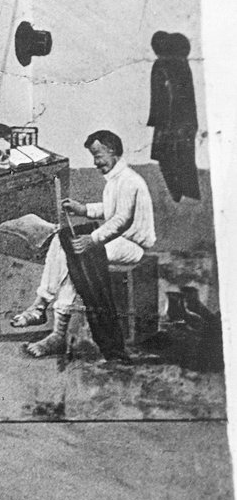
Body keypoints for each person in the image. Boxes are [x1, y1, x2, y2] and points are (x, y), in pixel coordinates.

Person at [13, 129, 155, 358]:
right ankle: (42, 307)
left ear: (112, 151)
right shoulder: (117, 179)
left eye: (98, 156)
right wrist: (83, 209)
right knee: (63, 241)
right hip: (116, 239)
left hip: (132, 245)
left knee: (75, 255)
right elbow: (110, 210)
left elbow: (121, 220)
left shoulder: (129, 181)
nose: (96, 163)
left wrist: (92, 239)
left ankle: (53, 328)